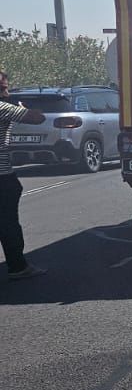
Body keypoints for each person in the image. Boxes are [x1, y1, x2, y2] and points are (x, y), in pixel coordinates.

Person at [0, 70, 49, 279]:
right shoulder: (3, 107)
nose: (7, 90)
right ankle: (18, 267)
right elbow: (37, 118)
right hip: (2, 176)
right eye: (3, 87)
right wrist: (22, 108)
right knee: (8, 222)